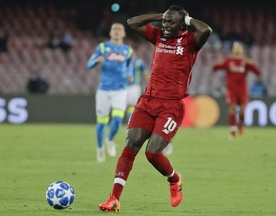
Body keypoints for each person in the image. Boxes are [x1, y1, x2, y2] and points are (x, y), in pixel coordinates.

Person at [99, 5, 212, 212]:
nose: (165, 25)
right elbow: (133, 22)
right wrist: (164, 15)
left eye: (171, 22)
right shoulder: (159, 36)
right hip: (148, 100)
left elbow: (206, 30)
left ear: (182, 24)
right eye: (165, 21)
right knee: (131, 145)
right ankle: (114, 198)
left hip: (171, 106)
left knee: (152, 154)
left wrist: (186, 19)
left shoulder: (190, 42)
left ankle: (175, 180)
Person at [87, 23, 133, 163]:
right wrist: (96, 61)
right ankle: (100, 148)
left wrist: (130, 74)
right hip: (104, 90)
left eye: (120, 29)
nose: (117, 31)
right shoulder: (102, 47)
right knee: (101, 123)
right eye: (115, 29)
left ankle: (110, 140)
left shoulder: (127, 50)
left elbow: (129, 66)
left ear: (124, 34)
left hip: (120, 89)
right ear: (110, 32)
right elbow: (89, 64)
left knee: (118, 119)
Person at [213, 41, 261, 140]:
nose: (237, 49)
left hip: (242, 91)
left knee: (243, 112)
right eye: (235, 47)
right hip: (231, 91)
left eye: (239, 47)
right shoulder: (228, 61)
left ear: (242, 50)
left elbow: (257, 71)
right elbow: (216, 68)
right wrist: (216, 63)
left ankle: (239, 123)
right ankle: (232, 131)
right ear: (233, 50)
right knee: (232, 108)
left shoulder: (245, 62)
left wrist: (253, 64)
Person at [125, 50, 148, 121]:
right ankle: (131, 120)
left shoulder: (139, 62)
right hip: (124, 86)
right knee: (126, 105)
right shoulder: (124, 62)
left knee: (132, 104)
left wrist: (149, 83)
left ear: (134, 53)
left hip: (134, 86)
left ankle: (131, 121)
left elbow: (145, 74)